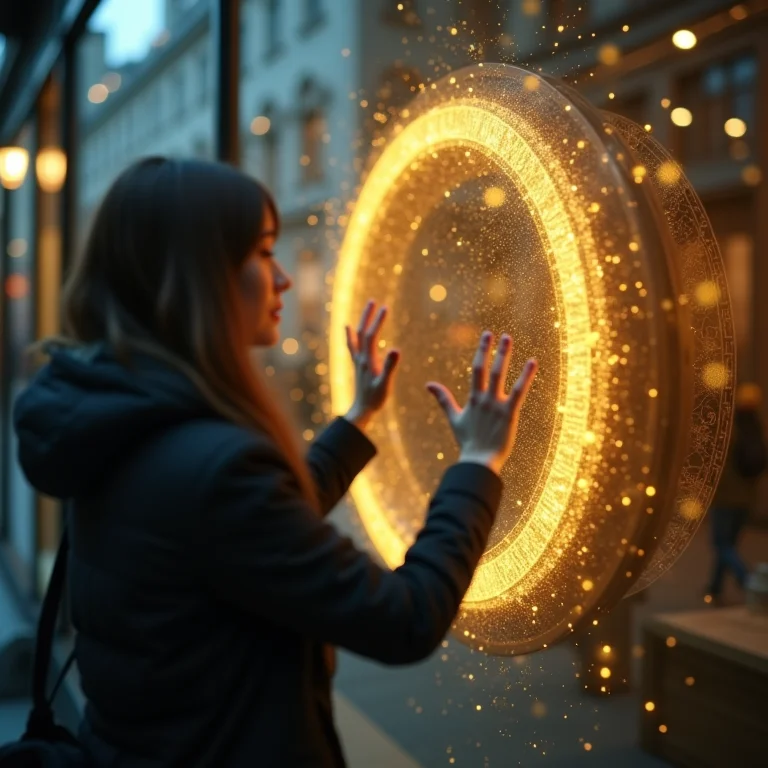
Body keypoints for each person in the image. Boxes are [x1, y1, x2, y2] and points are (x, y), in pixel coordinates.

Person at [13, 157, 538, 767]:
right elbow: (406, 618)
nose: (284, 277)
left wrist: (356, 420)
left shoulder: (121, 421)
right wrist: (477, 461)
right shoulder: (210, 467)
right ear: (201, 277)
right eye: (264, 252)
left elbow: (251, 538)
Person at [707, 382, 766, 602]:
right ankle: (714, 589)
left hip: (725, 499)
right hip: (746, 499)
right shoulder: (758, 430)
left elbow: (714, 464)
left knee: (722, 545)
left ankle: (750, 582)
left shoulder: (729, 430)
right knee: (728, 545)